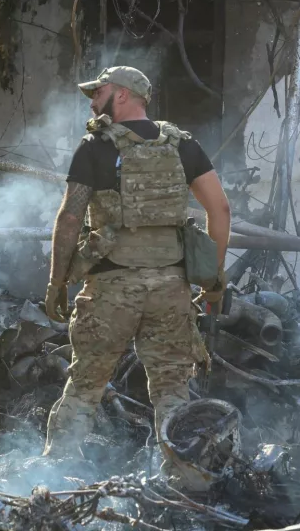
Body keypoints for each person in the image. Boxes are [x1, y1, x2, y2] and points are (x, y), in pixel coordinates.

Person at [42, 66, 231, 465]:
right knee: (172, 391)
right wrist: (213, 279)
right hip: (171, 290)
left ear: (124, 95)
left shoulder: (95, 146)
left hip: (111, 291)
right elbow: (220, 208)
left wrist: (57, 282)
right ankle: (182, 479)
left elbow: (70, 217)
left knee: (85, 386)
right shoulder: (183, 146)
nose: (93, 101)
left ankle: (54, 479)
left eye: (99, 92)